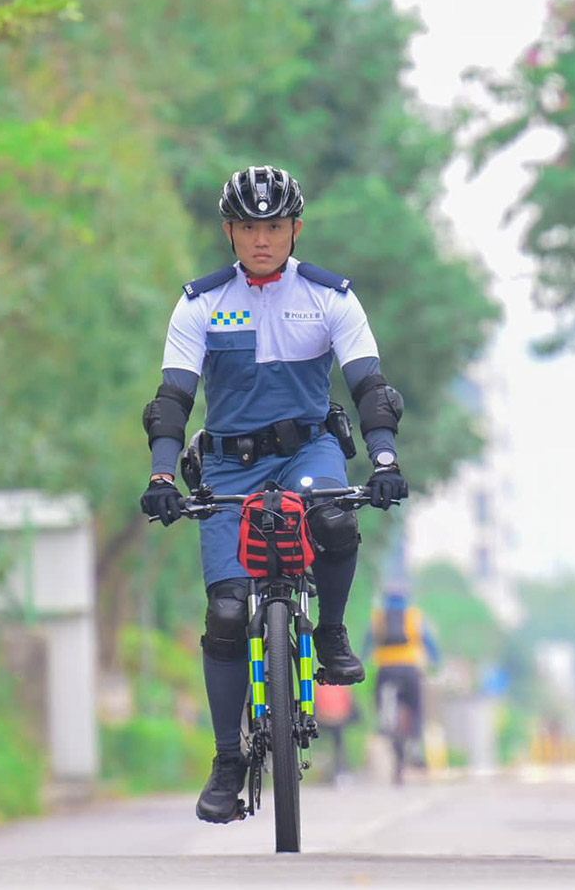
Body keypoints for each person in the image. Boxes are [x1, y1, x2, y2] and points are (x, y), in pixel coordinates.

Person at [139, 165, 410, 823]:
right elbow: (173, 399)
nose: (262, 240)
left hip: (308, 450)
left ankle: (333, 633)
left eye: (275, 226)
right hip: (229, 464)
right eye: (250, 227)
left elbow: (370, 386)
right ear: (229, 231)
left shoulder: (329, 298)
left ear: (295, 229)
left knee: (336, 519)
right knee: (228, 613)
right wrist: (162, 474)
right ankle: (228, 761)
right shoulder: (200, 304)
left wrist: (383, 459)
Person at [362, 587, 439, 771]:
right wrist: (436, 662)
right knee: (417, 708)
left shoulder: (378, 617)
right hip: (410, 668)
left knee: (380, 699)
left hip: (386, 668)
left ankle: (385, 719)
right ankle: (414, 746)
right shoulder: (415, 616)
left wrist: (362, 662)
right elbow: (428, 642)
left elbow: (367, 643)